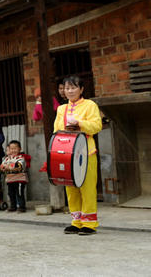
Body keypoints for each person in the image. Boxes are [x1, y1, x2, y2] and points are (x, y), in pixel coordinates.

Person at [54, 75, 102, 236]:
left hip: (86, 151)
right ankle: (76, 221)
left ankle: (89, 223)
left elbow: (97, 125)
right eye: (67, 88)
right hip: (66, 152)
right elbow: (56, 130)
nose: (70, 91)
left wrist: (80, 124)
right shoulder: (61, 109)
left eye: (73, 87)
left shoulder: (90, 105)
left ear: (81, 89)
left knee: (87, 187)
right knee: (71, 188)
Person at [0, 140, 31, 212]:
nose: (13, 150)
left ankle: (22, 207)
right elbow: (2, 166)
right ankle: (13, 206)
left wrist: (8, 166)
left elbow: (19, 165)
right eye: (11, 148)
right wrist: (3, 167)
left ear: (20, 149)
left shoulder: (21, 158)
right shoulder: (7, 159)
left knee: (19, 193)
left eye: (15, 148)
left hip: (19, 179)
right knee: (11, 193)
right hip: (10, 179)